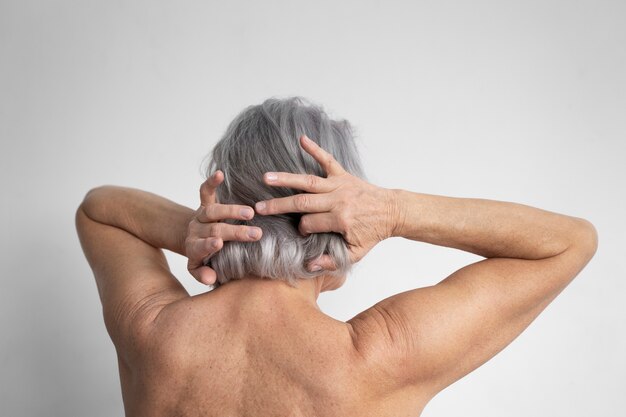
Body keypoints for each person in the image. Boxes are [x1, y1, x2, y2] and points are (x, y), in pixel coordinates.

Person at [76, 97, 598, 417]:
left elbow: (99, 209)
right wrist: (393, 211)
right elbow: (569, 241)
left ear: (224, 196)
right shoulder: (378, 360)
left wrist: (198, 230)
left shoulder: (153, 333)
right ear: (340, 220)